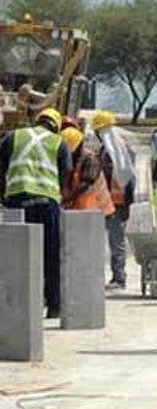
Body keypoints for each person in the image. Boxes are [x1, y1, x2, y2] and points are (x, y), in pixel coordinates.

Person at [0, 107, 71, 318]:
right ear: (56, 126)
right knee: (51, 254)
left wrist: (3, 197)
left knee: (15, 255)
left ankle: (17, 304)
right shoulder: (59, 143)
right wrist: (58, 197)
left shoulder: (13, 137)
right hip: (47, 203)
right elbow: (65, 174)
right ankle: (54, 306)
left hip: (17, 201)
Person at [93, 110, 137, 291]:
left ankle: (119, 277)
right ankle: (114, 275)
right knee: (111, 241)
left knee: (116, 241)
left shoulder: (116, 148)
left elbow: (127, 177)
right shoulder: (111, 148)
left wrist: (126, 202)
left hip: (115, 203)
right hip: (109, 201)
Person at [60, 127, 114, 217]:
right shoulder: (72, 159)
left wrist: (67, 199)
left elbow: (86, 184)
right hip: (80, 209)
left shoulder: (90, 159)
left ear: (80, 145)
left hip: (95, 207)